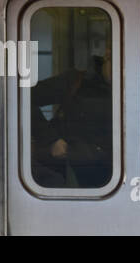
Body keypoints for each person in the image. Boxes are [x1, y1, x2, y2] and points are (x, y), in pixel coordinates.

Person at [29, 47, 113, 189]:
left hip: (109, 179)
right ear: (108, 54)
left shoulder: (133, 91)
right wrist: (50, 139)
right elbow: (24, 98)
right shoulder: (75, 81)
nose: (123, 72)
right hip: (64, 175)